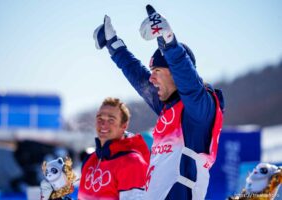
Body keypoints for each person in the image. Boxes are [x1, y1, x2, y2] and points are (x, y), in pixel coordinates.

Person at [93, 4, 224, 200]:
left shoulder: (199, 110)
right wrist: (114, 45)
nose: (151, 79)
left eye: (157, 72)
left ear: (176, 75)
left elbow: (188, 80)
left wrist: (168, 41)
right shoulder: (169, 106)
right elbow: (138, 77)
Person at [41, 97, 150, 200]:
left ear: (124, 126)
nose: (103, 124)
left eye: (111, 120)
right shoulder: (90, 160)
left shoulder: (132, 162)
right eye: (100, 118)